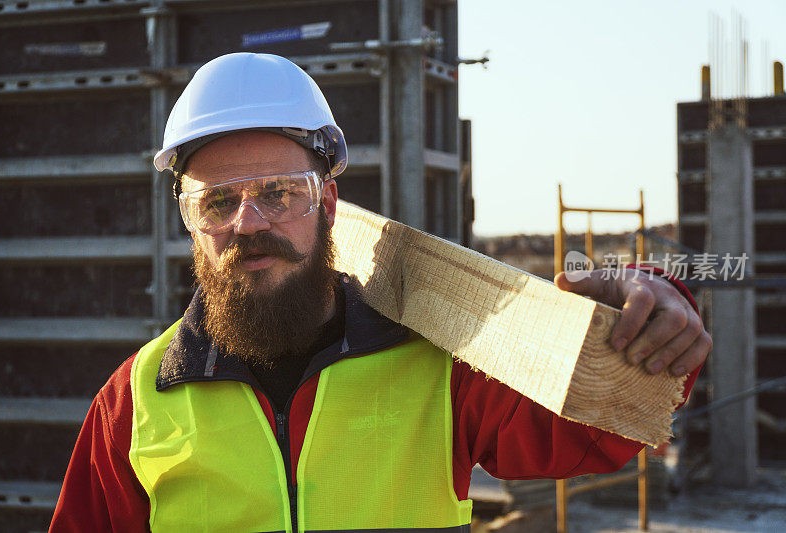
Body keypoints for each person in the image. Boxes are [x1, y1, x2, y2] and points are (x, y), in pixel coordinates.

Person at [50, 53, 711, 532]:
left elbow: (607, 426)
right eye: (217, 200)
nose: (248, 222)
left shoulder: (438, 364)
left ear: (329, 204)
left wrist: (652, 309)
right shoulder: (132, 405)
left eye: (279, 192)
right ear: (192, 222)